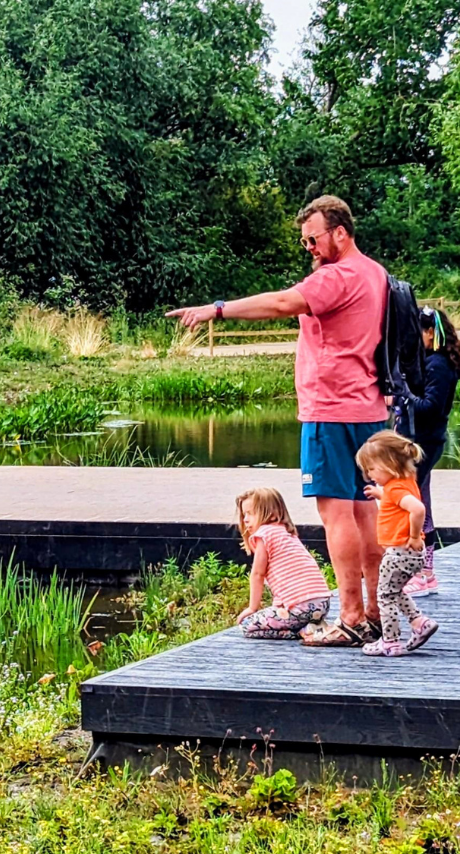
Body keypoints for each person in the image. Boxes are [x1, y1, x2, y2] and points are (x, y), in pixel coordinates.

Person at [167, 195, 387, 647]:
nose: (308, 246)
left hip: (330, 409)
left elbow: (283, 303)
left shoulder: (337, 275)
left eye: (314, 238)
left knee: (336, 512)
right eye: (304, 240)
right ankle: (374, 612)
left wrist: (217, 309)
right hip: (369, 408)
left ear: (340, 232)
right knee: (367, 510)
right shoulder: (376, 274)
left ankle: (348, 618)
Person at [355, 430, 439, 656]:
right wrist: (381, 494)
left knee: (384, 596)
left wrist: (413, 536)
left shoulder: (396, 488)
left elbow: (418, 509)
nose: (369, 473)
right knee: (394, 590)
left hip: (400, 552)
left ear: (389, 465)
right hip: (407, 555)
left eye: (371, 468)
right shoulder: (404, 482)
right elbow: (398, 502)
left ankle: (390, 641)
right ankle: (419, 622)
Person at [397, 307, 459, 597]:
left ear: (431, 332)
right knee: (423, 503)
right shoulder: (437, 362)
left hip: (425, 443)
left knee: (416, 505)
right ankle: (425, 572)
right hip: (426, 441)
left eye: (420, 333)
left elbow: (431, 407)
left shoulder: (437, 365)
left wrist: (404, 395)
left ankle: (423, 572)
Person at [235, 488, 331, 640]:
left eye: (251, 513)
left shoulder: (264, 534)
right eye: (244, 514)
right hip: (322, 604)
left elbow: (257, 574)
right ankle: (311, 625)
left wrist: (252, 608)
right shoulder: (286, 534)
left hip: (300, 607)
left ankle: (298, 632)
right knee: (277, 612)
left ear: (272, 514)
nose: (246, 519)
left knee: (247, 625)